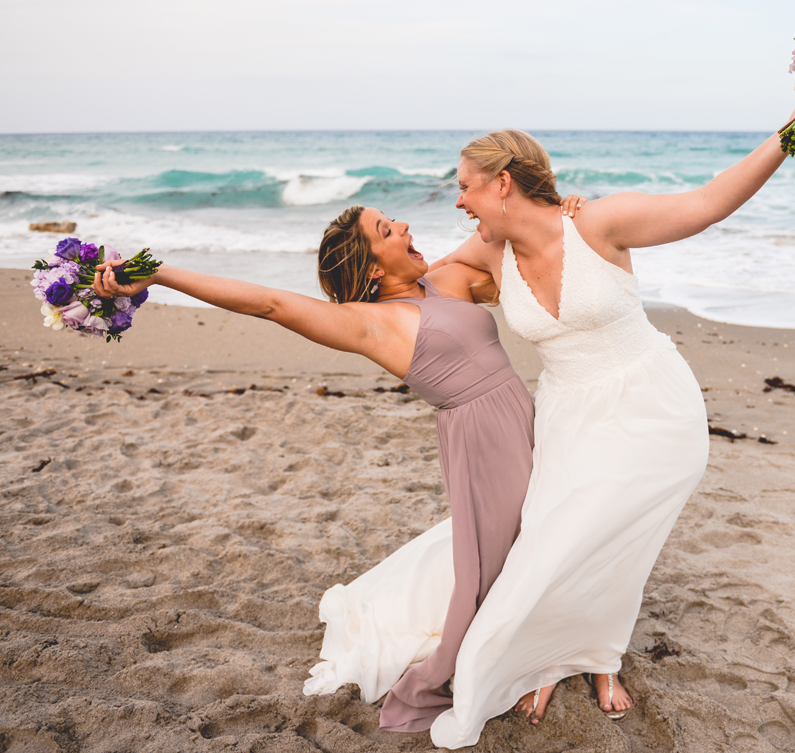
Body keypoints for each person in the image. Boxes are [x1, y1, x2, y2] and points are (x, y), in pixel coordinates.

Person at [417, 87, 795, 747]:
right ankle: (555, 652)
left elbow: (705, 204)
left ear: (502, 183)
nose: (459, 200)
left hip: (652, 406)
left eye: (466, 187)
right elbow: (412, 282)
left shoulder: (598, 223)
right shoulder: (486, 254)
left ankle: (601, 655)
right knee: (557, 538)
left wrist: (789, 133)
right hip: (567, 414)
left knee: (614, 534)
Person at [92, 198, 576, 734]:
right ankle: (537, 660)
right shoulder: (370, 324)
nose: (406, 226)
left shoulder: (443, 281)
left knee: (549, 532)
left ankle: (561, 648)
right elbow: (269, 303)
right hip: (483, 442)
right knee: (511, 557)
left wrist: (560, 204)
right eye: (388, 229)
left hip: (523, 419)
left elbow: (504, 233)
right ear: (372, 268)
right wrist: (156, 272)